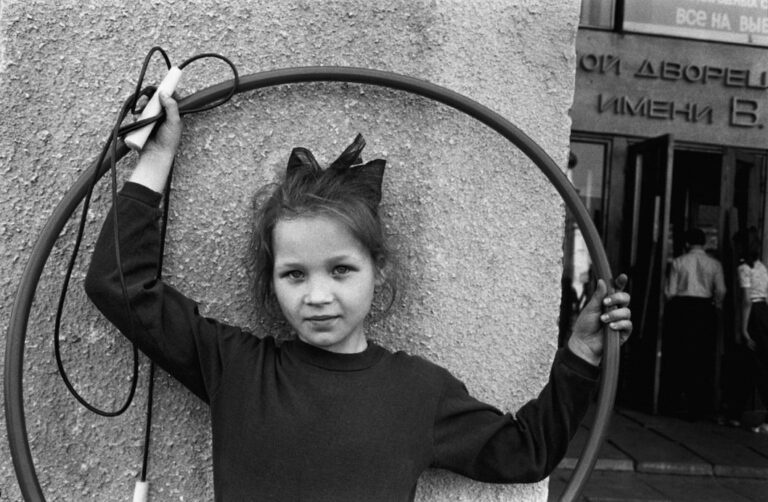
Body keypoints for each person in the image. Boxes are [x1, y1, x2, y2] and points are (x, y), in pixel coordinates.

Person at [84, 92, 632, 501]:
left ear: (378, 271)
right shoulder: (235, 367)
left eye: (341, 270)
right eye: (294, 275)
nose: (317, 295)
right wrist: (156, 160)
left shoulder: (419, 392)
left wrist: (581, 356)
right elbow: (120, 285)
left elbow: (525, 451)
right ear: (271, 284)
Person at [663, 228, 726, 420]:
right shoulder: (714, 264)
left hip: (681, 309)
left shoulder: (678, 262)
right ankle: (697, 407)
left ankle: (672, 403)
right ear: (704, 243)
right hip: (705, 310)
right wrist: (716, 304)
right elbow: (721, 290)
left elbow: (669, 292)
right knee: (702, 358)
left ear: (687, 243)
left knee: (678, 356)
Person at [735, 243, 768, 434]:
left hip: (753, 314)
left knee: (755, 362)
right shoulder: (762, 268)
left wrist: (743, 328)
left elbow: (747, 299)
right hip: (764, 311)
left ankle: (737, 412)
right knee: (760, 362)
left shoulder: (744, 268)